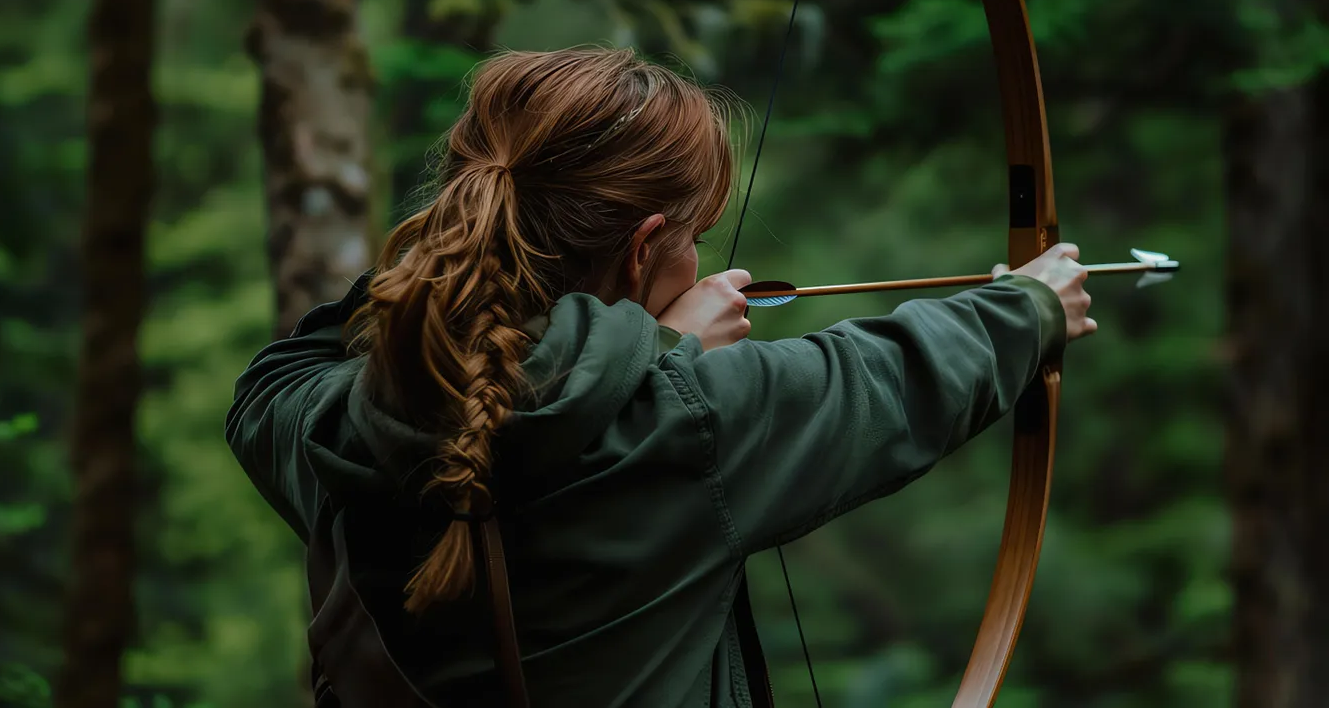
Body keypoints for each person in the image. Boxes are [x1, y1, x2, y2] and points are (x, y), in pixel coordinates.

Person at [225, 46, 1096, 708]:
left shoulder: (333, 422)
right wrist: (1035, 302)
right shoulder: (689, 424)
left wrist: (606, 328)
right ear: (643, 249)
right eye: (691, 236)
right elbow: (899, 374)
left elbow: (274, 379)